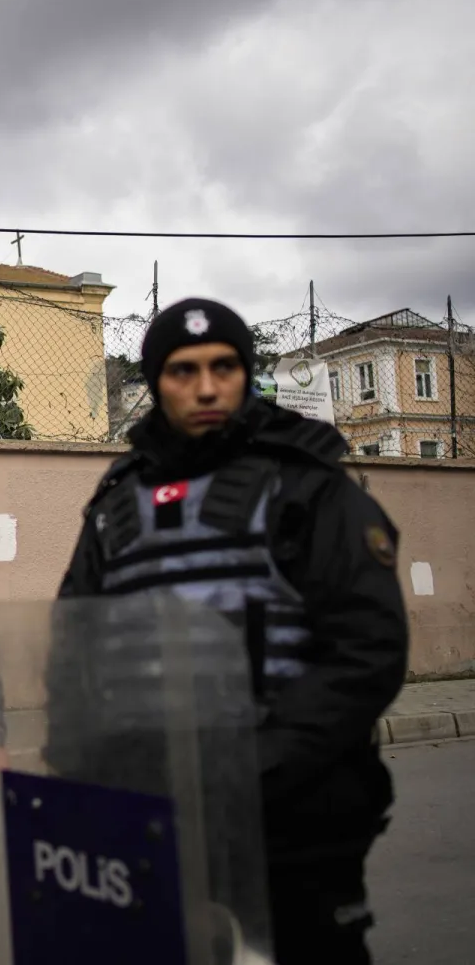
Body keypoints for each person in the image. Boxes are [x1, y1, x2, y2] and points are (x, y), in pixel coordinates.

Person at [56, 298, 409, 965]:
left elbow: (366, 650)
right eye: (183, 370)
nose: (207, 386)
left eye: (224, 366)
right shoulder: (115, 501)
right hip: (151, 816)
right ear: (157, 383)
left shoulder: (306, 484)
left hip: (291, 817)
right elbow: (75, 647)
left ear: (246, 373)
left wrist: (255, 765)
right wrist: (80, 778)